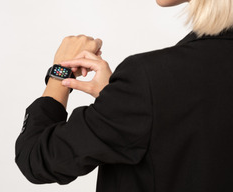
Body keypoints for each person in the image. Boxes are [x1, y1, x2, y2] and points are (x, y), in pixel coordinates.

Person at [15, 0, 233, 191]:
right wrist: (122, 100)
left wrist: (60, 71)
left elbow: (36, 158)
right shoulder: (153, 85)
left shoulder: (148, 79)